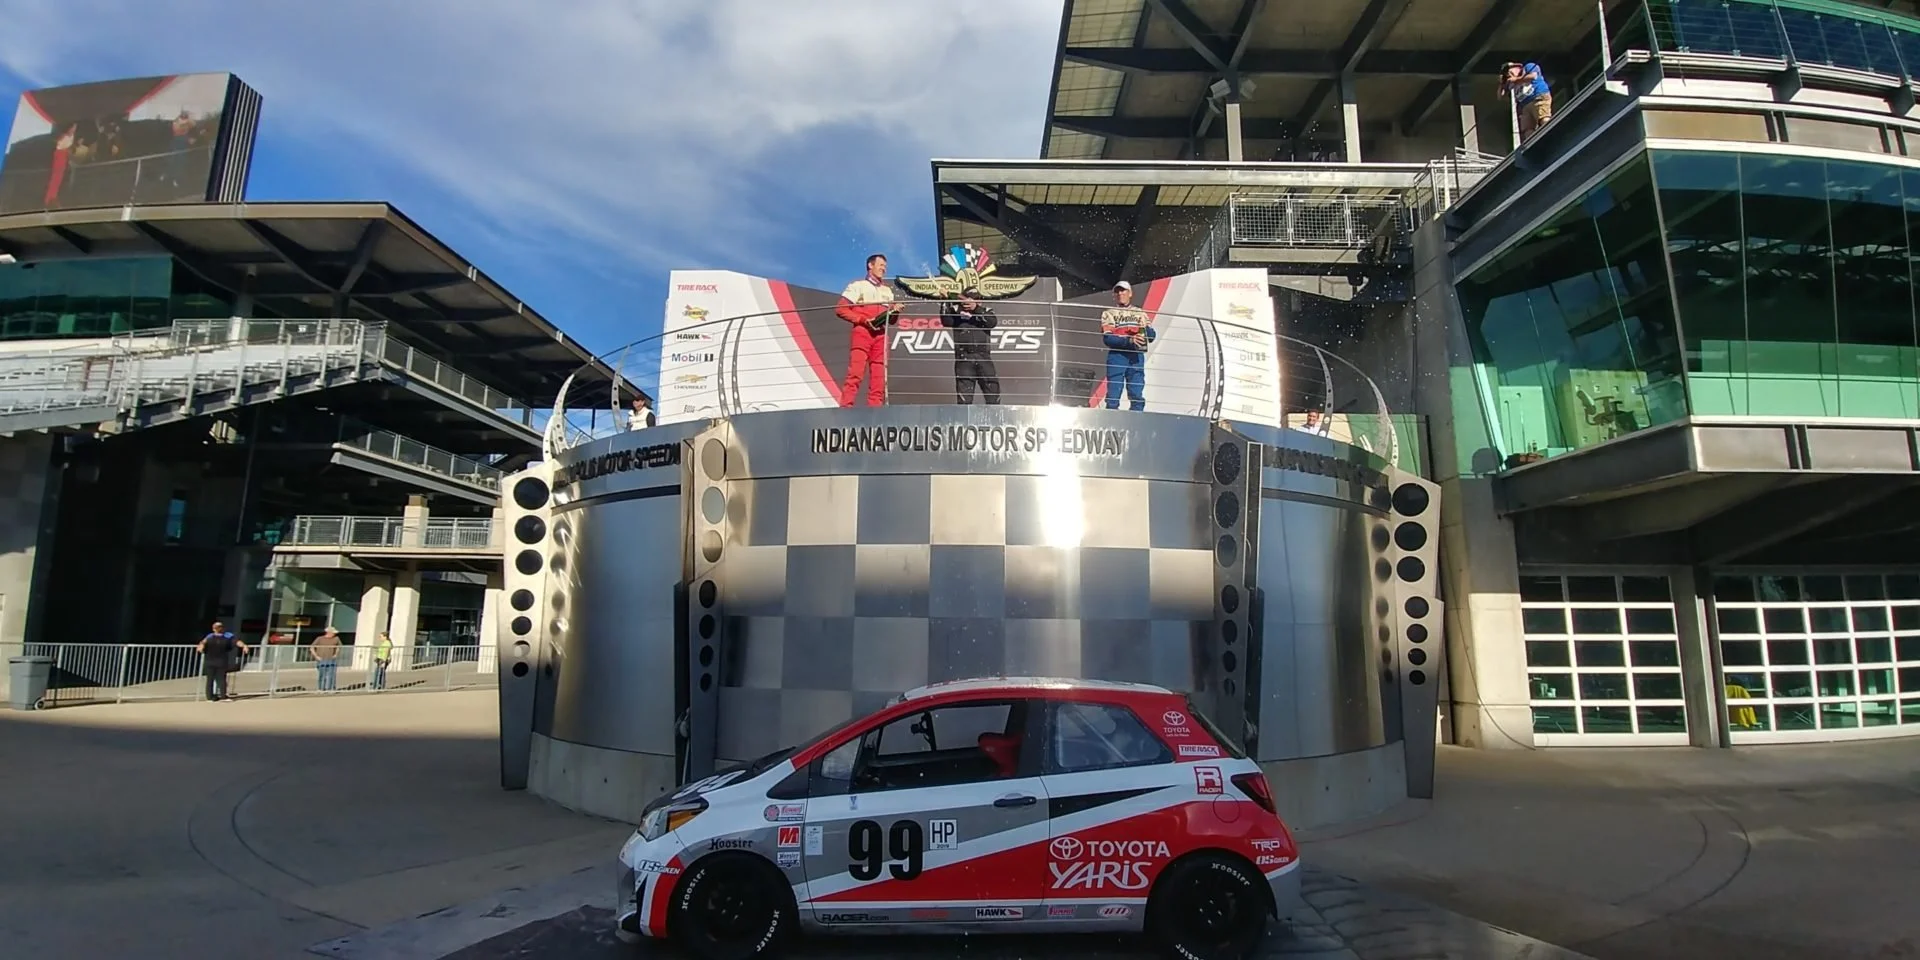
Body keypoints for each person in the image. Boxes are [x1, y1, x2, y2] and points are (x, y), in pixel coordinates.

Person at [835, 254, 902, 407]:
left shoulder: (887, 291)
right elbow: (840, 309)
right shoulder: (858, 285)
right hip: (863, 332)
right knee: (855, 373)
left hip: (881, 335)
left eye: (885, 266)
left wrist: (895, 311)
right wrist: (863, 320)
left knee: (879, 377)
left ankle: (875, 412)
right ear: (870, 266)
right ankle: (846, 408)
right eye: (881, 265)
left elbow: (891, 320)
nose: (884, 269)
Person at [1099, 281, 1157, 411]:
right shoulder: (1109, 313)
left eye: (1123, 290)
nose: (1120, 294)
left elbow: (1152, 336)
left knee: (1136, 394)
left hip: (1136, 356)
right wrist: (1129, 340)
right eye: (1117, 291)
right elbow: (1108, 339)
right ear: (1114, 295)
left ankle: (1137, 424)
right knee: (1113, 396)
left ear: (1130, 293)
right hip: (1117, 356)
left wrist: (1145, 328)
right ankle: (1110, 425)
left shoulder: (1140, 313)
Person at [941, 287, 1001, 404]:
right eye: (973, 299)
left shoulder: (986, 310)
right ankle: (964, 421)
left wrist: (976, 308)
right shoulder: (955, 311)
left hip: (983, 357)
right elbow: (945, 321)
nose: (977, 301)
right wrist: (945, 300)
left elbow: (992, 322)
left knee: (993, 394)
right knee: (964, 399)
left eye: (978, 299)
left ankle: (995, 420)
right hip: (964, 358)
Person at [196, 621, 248, 702]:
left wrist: (200, 647)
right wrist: (244, 646)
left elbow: (202, 643)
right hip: (221, 661)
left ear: (213, 629)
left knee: (210, 680)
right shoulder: (227, 637)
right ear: (222, 628)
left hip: (209, 661)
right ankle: (223, 696)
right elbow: (237, 642)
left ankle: (210, 697)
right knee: (221, 679)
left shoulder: (209, 637)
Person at [1501, 62, 1552, 142]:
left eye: (1510, 70)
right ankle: (1533, 143)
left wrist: (1517, 79)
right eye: (1506, 73)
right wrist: (1502, 84)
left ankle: (1551, 134)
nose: (1508, 73)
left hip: (1537, 96)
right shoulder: (1511, 83)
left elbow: (1533, 76)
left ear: (1518, 67)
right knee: (1527, 128)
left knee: (1543, 117)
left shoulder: (1528, 67)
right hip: (1525, 105)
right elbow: (1501, 96)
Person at [311, 626, 341, 693]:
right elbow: (312, 647)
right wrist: (316, 656)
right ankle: (321, 689)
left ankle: (331, 689)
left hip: (331, 659)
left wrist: (336, 654)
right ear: (328, 632)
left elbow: (339, 646)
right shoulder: (320, 638)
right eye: (333, 633)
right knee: (322, 675)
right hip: (321, 659)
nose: (334, 634)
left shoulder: (336, 639)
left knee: (331, 675)